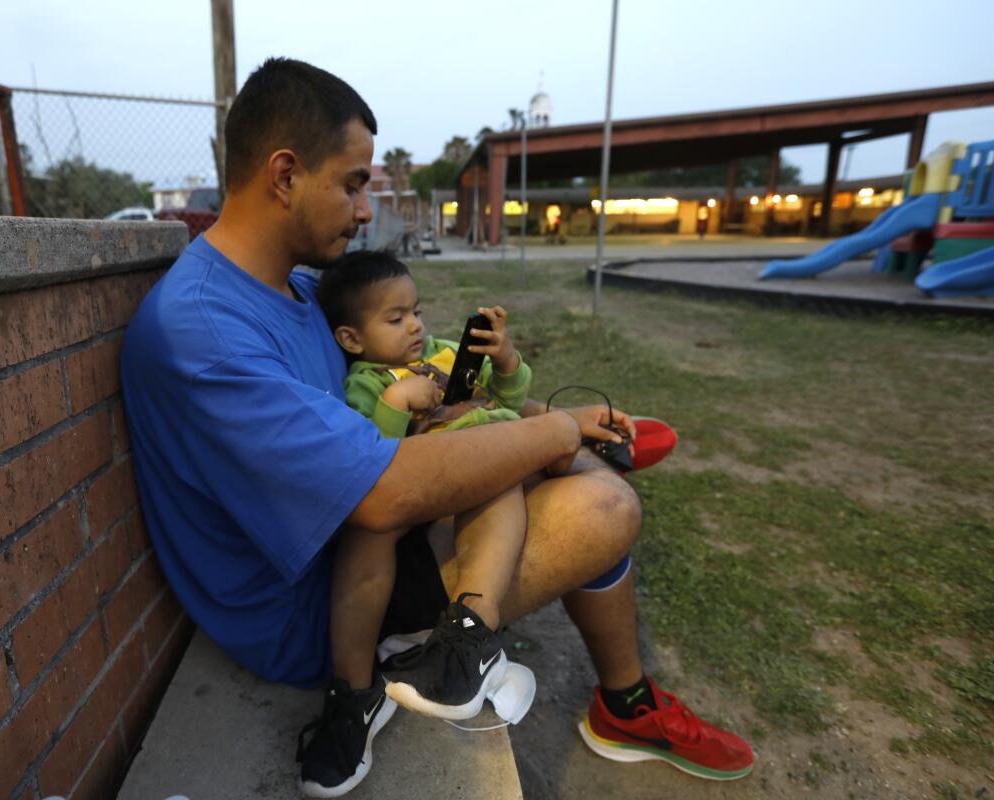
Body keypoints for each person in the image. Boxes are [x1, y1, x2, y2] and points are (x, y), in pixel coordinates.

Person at [121, 57, 754, 799]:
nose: (365, 210)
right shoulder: (204, 329)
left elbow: (383, 411)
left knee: (542, 454)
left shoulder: (291, 289)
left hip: (358, 542)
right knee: (601, 504)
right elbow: (381, 495)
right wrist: (554, 436)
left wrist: (534, 417)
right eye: (354, 184)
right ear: (285, 174)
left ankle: (624, 701)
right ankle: (616, 699)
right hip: (318, 610)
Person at [316, 251, 532, 723]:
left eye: (416, 311)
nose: (414, 326)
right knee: (503, 487)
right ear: (351, 338)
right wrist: (396, 401)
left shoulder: (443, 352)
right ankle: (474, 632)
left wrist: (506, 357)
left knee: (558, 462)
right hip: (448, 481)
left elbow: (508, 396)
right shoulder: (367, 385)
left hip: (503, 444)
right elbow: (376, 462)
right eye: (395, 318)